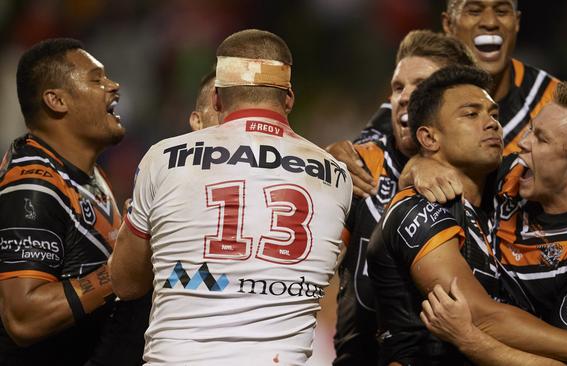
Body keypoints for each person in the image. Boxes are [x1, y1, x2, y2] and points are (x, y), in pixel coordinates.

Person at [108, 29, 353, 365]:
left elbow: (125, 283)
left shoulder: (162, 158)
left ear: (217, 99)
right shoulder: (337, 176)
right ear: (289, 98)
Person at [367, 65, 567, 365]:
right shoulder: (420, 207)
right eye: (471, 114)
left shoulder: (488, 213)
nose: (491, 124)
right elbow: (478, 313)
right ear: (429, 138)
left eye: (494, 115)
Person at [419, 81, 567, 359]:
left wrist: (469, 339)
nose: (522, 143)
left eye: (541, 139)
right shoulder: (516, 174)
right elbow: (446, 161)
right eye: (531, 129)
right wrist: (420, 167)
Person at [333, 30, 476, 366]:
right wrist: (320, 168)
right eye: (398, 87)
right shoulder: (360, 166)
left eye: (420, 85)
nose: (403, 97)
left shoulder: (488, 175)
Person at [0, 38, 144, 365]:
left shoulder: (89, 175)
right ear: (56, 100)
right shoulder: (33, 185)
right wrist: (116, 275)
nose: (113, 86)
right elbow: (24, 318)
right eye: (97, 79)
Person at [328, 0, 559, 197]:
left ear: (517, 21)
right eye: (474, 10)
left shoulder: (555, 102)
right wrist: (333, 160)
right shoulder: (420, 92)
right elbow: (358, 154)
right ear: (448, 24)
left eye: (501, 10)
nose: (490, 22)